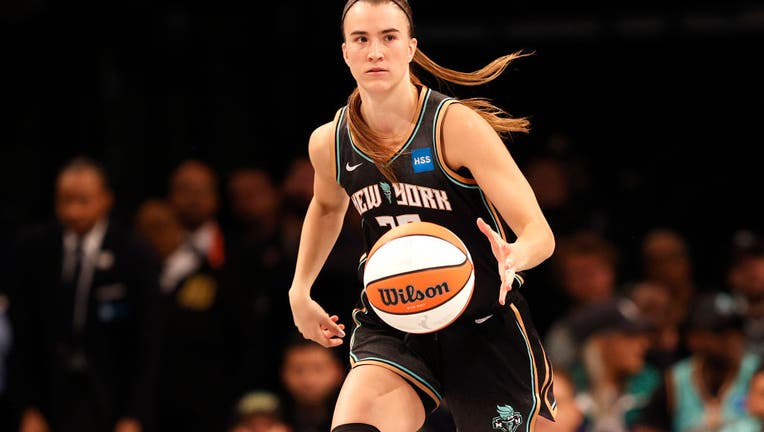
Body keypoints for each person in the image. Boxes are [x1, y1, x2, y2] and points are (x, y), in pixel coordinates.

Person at [287, 1, 557, 431]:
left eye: (389, 37)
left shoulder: (455, 126)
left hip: (482, 322)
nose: (376, 51)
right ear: (346, 52)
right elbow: (326, 205)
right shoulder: (329, 142)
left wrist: (516, 255)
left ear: (411, 47)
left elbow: (539, 232)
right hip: (395, 319)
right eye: (361, 39)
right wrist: (300, 289)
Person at [6, 156, 161, 432]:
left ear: (106, 200)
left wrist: (134, 415)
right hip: (50, 396)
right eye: (65, 200)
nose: (73, 211)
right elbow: (22, 336)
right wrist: (27, 408)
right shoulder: (33, 248)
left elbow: (147, 343)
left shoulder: (134, 253)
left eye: (83, 201)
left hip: (111, 397)